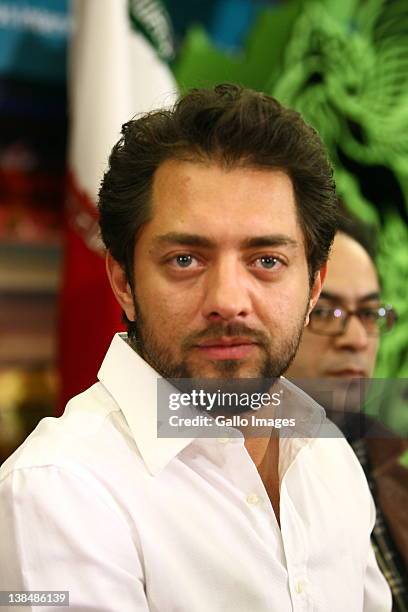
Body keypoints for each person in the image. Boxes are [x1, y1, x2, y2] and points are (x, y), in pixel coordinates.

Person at [0, 84, 392, 611]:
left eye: (267, 261)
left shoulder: (326, 452)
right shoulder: (59, 490)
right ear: (123, 281)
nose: (229, 301)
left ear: (313, 286)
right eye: (186, 259)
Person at [286, 215, 408, 611]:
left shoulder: (390, 460)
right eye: (325, 313)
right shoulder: (243, 470)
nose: (356, 340)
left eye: (369, 314)